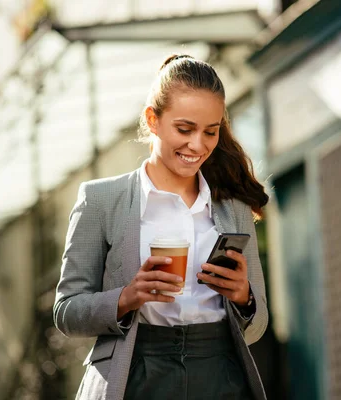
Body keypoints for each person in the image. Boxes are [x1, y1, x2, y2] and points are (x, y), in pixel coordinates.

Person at [53, 54, 269, 400]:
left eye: (210, 132)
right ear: (152, 119)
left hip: (219, 372)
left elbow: (258, 325)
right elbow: (66, 310)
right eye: (184, 129)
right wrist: (125, 298)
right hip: (136, 373)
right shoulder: (101, 200)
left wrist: (243, 297)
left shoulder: (233, 208)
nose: (197, 145)